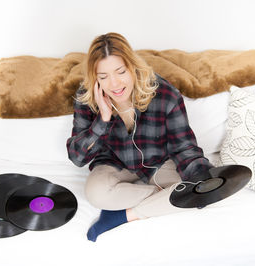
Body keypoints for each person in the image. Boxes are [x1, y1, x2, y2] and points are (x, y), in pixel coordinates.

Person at [66, 32, 214, 242]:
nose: (114, 84)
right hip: (114, 165)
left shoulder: (165, 95)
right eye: (103, 77)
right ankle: (168, 196)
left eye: (120, 72)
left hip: (159, 164)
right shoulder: (87, 98)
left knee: (198, 190)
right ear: (95, 79)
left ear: (132, 66)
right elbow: (77, 158)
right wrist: (103, 119)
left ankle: (124, 214)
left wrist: (203, 178)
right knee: (95, 193)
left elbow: (185, 149)